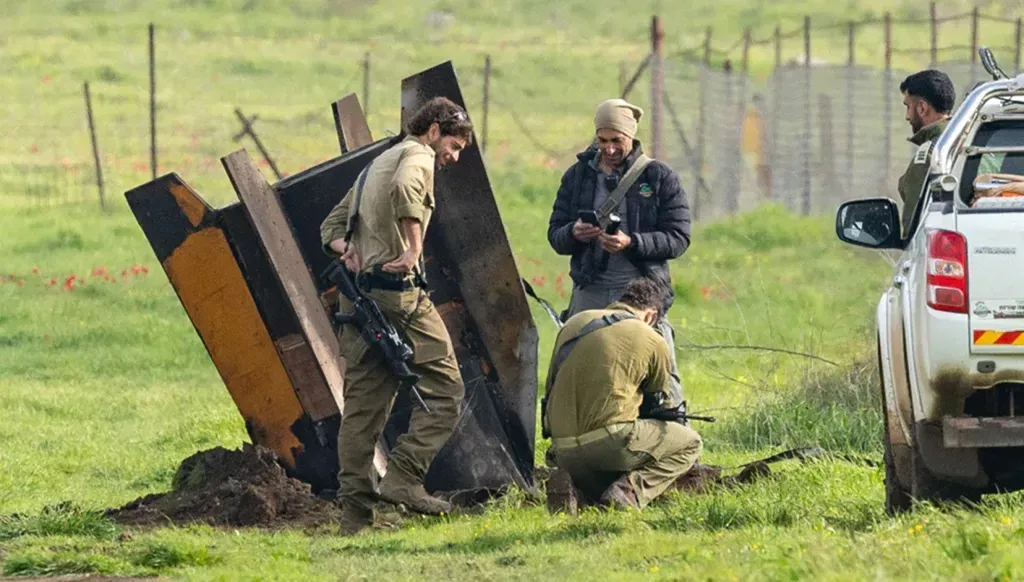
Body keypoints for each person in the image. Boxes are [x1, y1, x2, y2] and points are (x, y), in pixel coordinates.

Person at [319, 96, 472, 534]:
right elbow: (408, 190)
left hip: (360, 303)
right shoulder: (418, 156)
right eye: (455, 146)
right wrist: (412, 247)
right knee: (446, 390)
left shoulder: (377, 164)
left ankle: (356, 518)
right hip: (400, 300)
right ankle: (403, 478)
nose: (453, 157)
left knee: (363, 412)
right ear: (435, 130)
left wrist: (346, 249)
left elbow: (330, 227)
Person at [547, 98, 691, 408]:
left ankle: (678, 439)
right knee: (574, 363)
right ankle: (571, 438)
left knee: (660, 370)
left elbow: (679, 237)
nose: (609, 149)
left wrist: (632, 242)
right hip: (591, 287)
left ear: (631, 137)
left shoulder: (658, 177)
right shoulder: (578, 177)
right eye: (602, 140)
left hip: (641, 290)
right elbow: (555, 234)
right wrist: (574, 233)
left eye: (617, 141)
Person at [543, 277, 703, 510]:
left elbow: (550, 384)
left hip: (562, 450)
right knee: (690, 443)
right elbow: (659, 400)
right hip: (608, 445)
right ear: (651, 315)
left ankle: (577, 492)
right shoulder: (651, 337)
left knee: (601, 457)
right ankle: (629, 493)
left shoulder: (574, 323)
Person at [897, 70, 955, 234]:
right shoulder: (973, 140)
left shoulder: (930, 154)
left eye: (908, 107)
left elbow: (914, 222)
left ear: (922, 108)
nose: (907, 117)